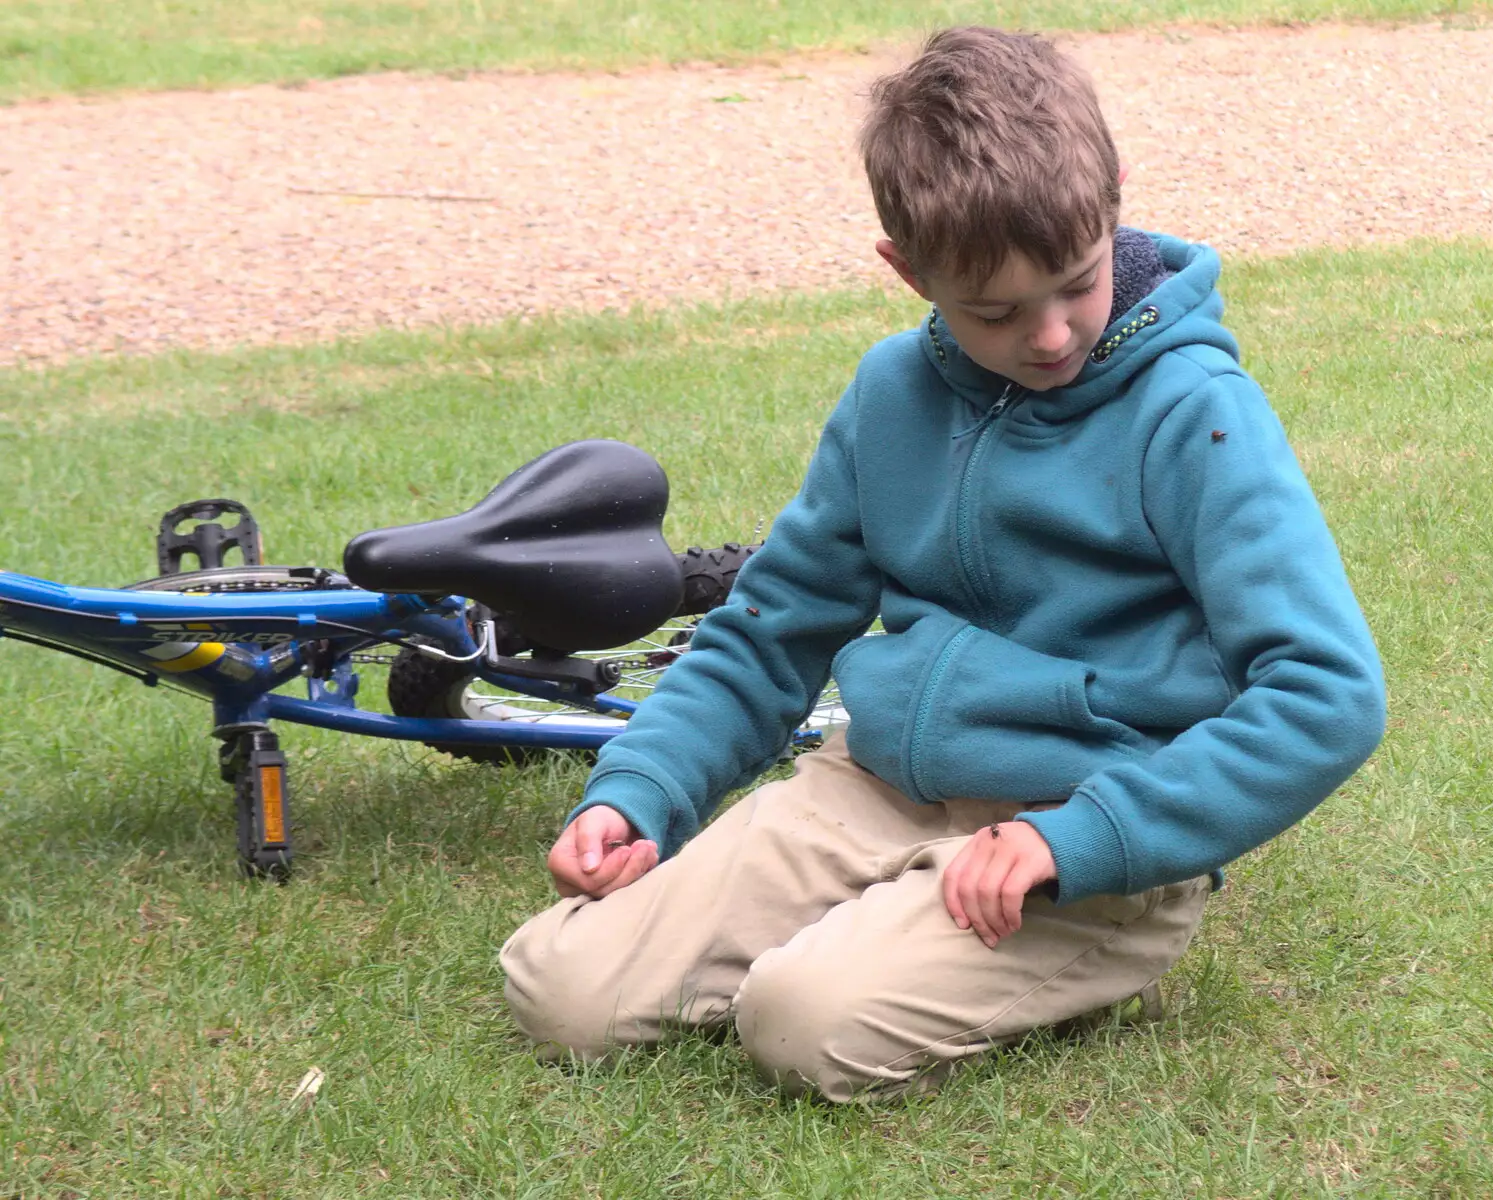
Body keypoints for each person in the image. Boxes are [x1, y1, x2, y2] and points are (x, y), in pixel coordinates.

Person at [499, 26, 1386, 1102]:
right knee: (559, 989)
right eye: (995, 312)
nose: (1052, 335)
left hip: (1082, 835)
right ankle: (875, 918)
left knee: (800, 1023)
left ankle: (1082, 945)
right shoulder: (889, 397)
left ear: (1111, 197)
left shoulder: (1195, 414)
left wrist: (1090, 838)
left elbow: (1326, 694)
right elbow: (769, 630)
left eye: (1076, 283)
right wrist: (639, 792)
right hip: (875, 789)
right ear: (906, 269)